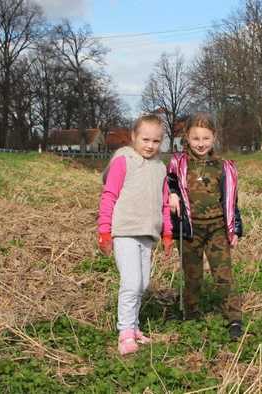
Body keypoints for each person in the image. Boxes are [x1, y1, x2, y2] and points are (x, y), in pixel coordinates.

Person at [98, 114, 173, 356]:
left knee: (142, 284)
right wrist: (104, 232)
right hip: (125, 232)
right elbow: (109, 196)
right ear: (133, 137)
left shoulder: (160, 168)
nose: (150, 145)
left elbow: (164, 203)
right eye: (145, 139)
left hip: (147, 235)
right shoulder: (124, 161)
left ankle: (135, 326)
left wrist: (168, 232)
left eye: (156, 141)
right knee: (131, 283)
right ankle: (125, 333)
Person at [166, 112, 244, 340]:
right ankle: (191, 314)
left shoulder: (223, 166)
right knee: (193, 275)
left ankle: (234, 318)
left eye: (206, 139)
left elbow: (231, 199)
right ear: (187, 138)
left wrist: (235, 228)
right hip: (190, 231)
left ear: (214, 137)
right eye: (196, 138)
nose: (201, 144)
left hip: (217, 229)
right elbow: (168, 184)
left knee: (224, 275)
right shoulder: (178, 164)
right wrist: (171, 194)